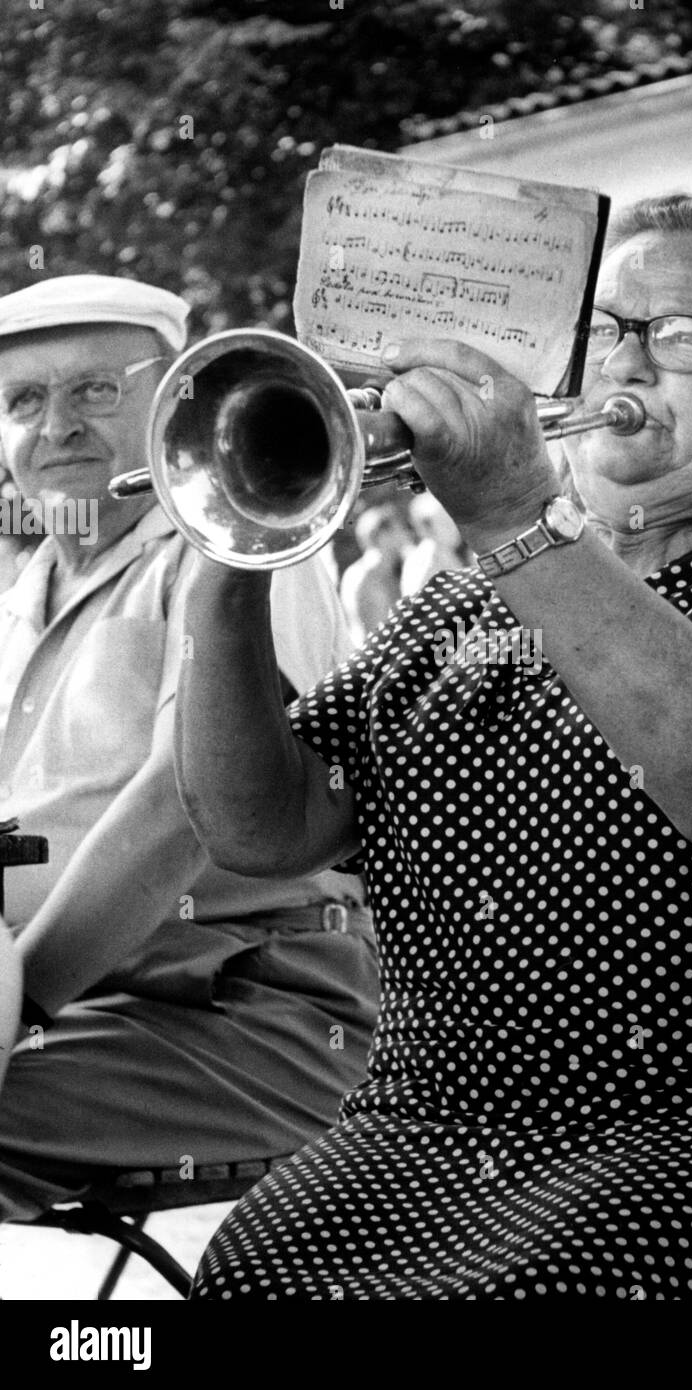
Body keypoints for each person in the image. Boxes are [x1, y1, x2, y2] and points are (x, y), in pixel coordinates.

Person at [178, 195, 692, 1300]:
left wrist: (513, 517)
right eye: (604, 334)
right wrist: (231, 556)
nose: (630, 361)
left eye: (685, 335)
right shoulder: (452, 610)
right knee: (251, 1269)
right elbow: (264, 827)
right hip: (431, 1133)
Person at [0, 275, 378, 1221]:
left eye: (94, 390)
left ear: (175, 402)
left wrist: (22, 1007)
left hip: (232, 1012)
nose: (56, 429)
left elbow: (186, 806)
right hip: (79, 1012)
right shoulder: (18, 589)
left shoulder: (241, 547)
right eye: (22, 401)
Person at [338, 503, 411, 645]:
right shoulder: (364, 576)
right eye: (400, 528)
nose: (406, 534)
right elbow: (374, 630)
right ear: (383, 535)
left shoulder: (390, 569)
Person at [399, 490, 470, 596]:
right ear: (427, 528)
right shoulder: (422, 563)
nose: (454, 528)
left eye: (453, 520)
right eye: (445, 524)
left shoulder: (459, 550)